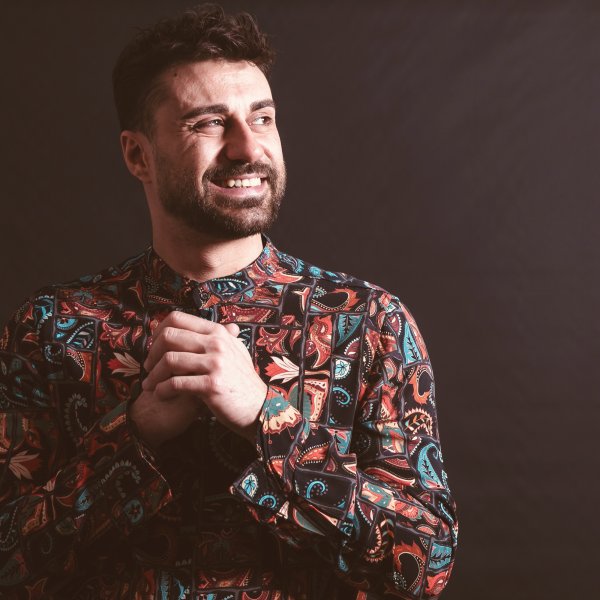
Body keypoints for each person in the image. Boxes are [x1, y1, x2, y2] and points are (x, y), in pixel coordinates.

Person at [0, 5, 457, 599]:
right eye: (209, 123)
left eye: (262, 118)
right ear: (138, 155)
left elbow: (425, 563)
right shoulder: (50, 326)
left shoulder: (367, 322)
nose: (247, 148)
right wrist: (133, 436)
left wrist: (267, 419)